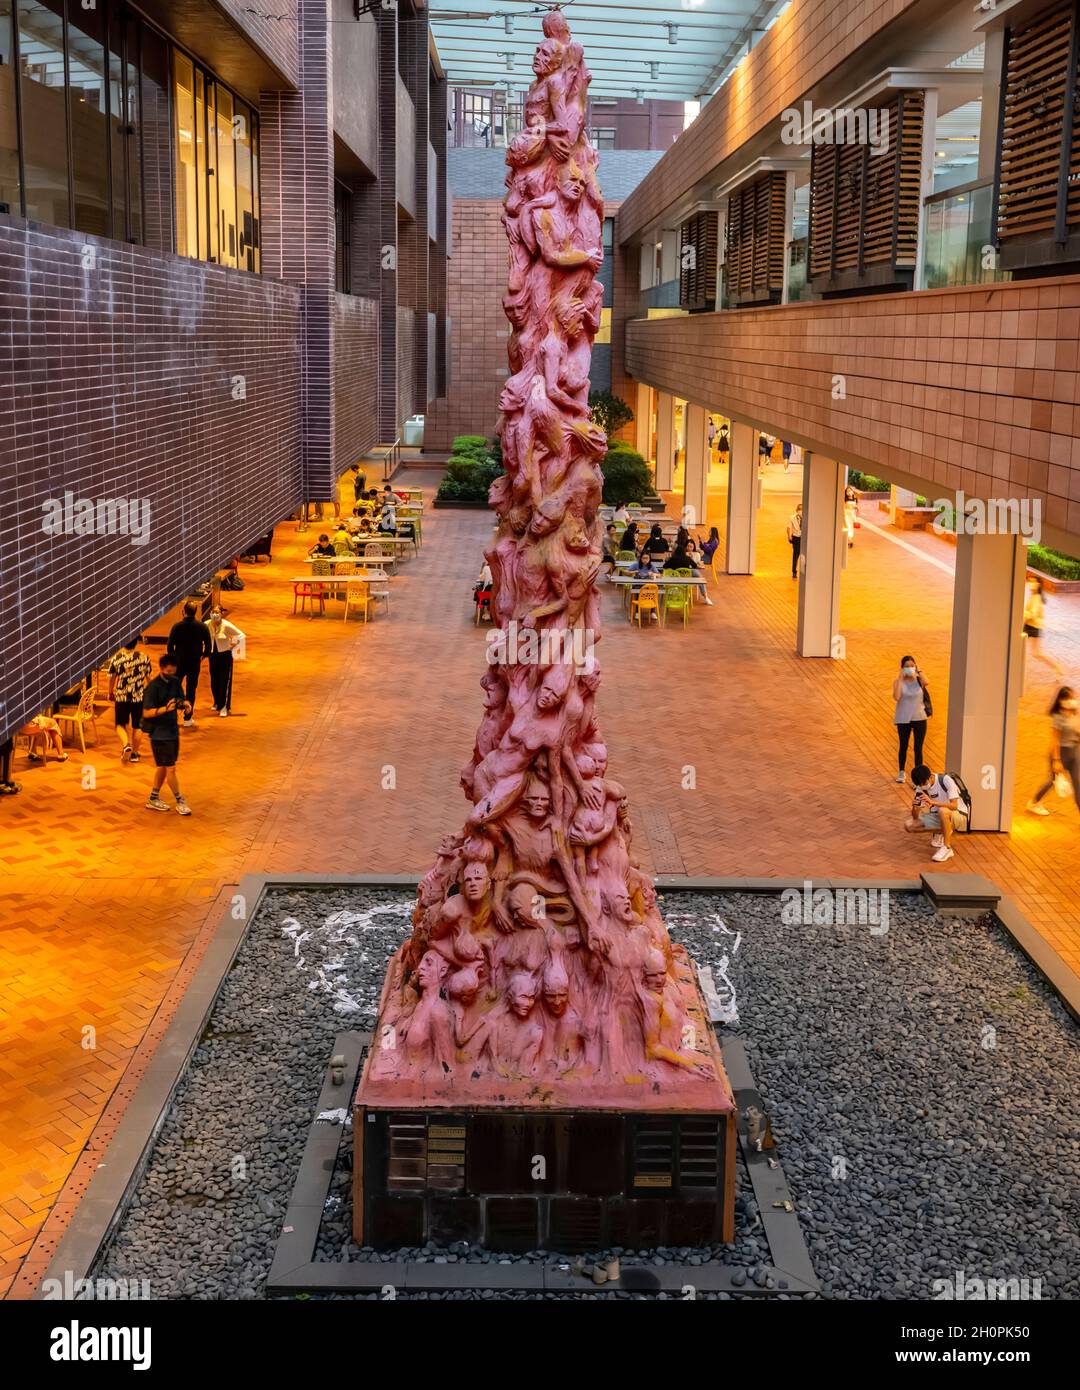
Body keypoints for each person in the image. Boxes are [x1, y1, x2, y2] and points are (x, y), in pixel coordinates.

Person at [142, 655, 192, 815]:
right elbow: (147, 713)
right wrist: (165, 709)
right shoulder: (153, 687)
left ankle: (153, 798)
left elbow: (179, 700)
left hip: (172, 731)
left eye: (173, 670)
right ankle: (180, 801)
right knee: (171, 769)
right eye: (167, 670)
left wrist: (185, 705)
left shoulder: (175, 681)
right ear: (162, 668)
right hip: (159, 735)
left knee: (163, 767)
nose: (170, 673)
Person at [1027, 687, 1080, 817]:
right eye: (1069, 698)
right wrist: (1056, 761)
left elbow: (1075, 731)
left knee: (1078, 784)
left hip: (1074, 753)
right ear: (1061, 700)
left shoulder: (1073, 712)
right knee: (1051, 781)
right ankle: (1034, 802)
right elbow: (1055, 740)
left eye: (1073, 697)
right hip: (1060, 753)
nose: (1072, 700)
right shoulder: (1057, 717)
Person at [904, 764, 963, 862]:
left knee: (942, 810)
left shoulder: (945, 780)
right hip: (939, 815)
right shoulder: (921, 788)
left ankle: (947, 848)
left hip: (957, 815)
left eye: (924, 783)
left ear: (930, 776)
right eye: (920, 785)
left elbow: (954, 806)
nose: (923, 786)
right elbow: (915, 817)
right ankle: (941, 832)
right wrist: (914, 807)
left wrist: (932, 802)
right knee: (909, 825)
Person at [166, 601, 211, 728]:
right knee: (191, 690)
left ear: (183, 612)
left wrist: (175, 658)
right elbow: (208, 648)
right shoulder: (202, 627)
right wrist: (201, 658)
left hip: (179, 664)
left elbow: (169, 647)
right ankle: (187, 718)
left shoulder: (177, 626)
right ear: (196, 611)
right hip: (194, 664)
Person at [108, 636, 152, 763]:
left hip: (122, 696)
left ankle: (126, 744)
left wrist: (110, 692)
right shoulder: (144, 657)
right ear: (136, 642)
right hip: (138, 696)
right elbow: (149, 678)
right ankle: (135, 754)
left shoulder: (117, 659)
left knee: (120, 724)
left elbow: (111, 678)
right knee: (137, 725)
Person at [892, 655, 929, 782]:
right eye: (906, 666)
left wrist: (919, 671)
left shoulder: (919, 681)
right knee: (903, 746)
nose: (909, 668)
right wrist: (900, 679)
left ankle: (918, 778)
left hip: (920, 717)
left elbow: (927, 682)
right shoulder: (898, 682)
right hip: (903, 719)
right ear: (902, 668)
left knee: (918, 748)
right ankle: (901, 772)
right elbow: (896, 697)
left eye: (912, 666)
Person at [1023, 575, 1062, 676]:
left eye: (1033, 582)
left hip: (1033, 627)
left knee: (1036, 653)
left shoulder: (1036, 598)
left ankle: (1057, 668)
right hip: (1030, 625)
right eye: (1030, 581)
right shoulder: (1034, 595)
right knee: (1034, 652)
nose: (1031, 584)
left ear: (1038, 585)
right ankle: (1057, 668)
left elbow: (1032, 614)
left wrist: (1022, 615)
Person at [207, 608, 242, 717]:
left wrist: (232, 645)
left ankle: (224, 707)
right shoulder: (207, 624)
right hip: (213, 655)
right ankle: (217, 702)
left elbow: (240, 635)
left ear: (221, 614)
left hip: (225, 655)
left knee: (224, 681)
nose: (215, 614)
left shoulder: (226, 625)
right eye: (213, 612)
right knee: (214, 680)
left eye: (217, 612)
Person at [663, 536, 713, 605]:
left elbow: (664, 566)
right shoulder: (687, 558)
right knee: (699, 576)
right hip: (686, 579)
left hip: (675, 579)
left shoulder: (673, 559)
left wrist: (671, 566)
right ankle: (706, 597)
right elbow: (695, 566)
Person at [786, 501, 803, 578]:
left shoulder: (807, 517)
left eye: (802, 509)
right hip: (796, 538)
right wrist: (789, 536)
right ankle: (794, 571)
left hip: (804, 538)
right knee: (796, 555)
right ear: (797, 510)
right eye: (799, 509)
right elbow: (788, 527)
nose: (801, 511)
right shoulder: (792, 518)